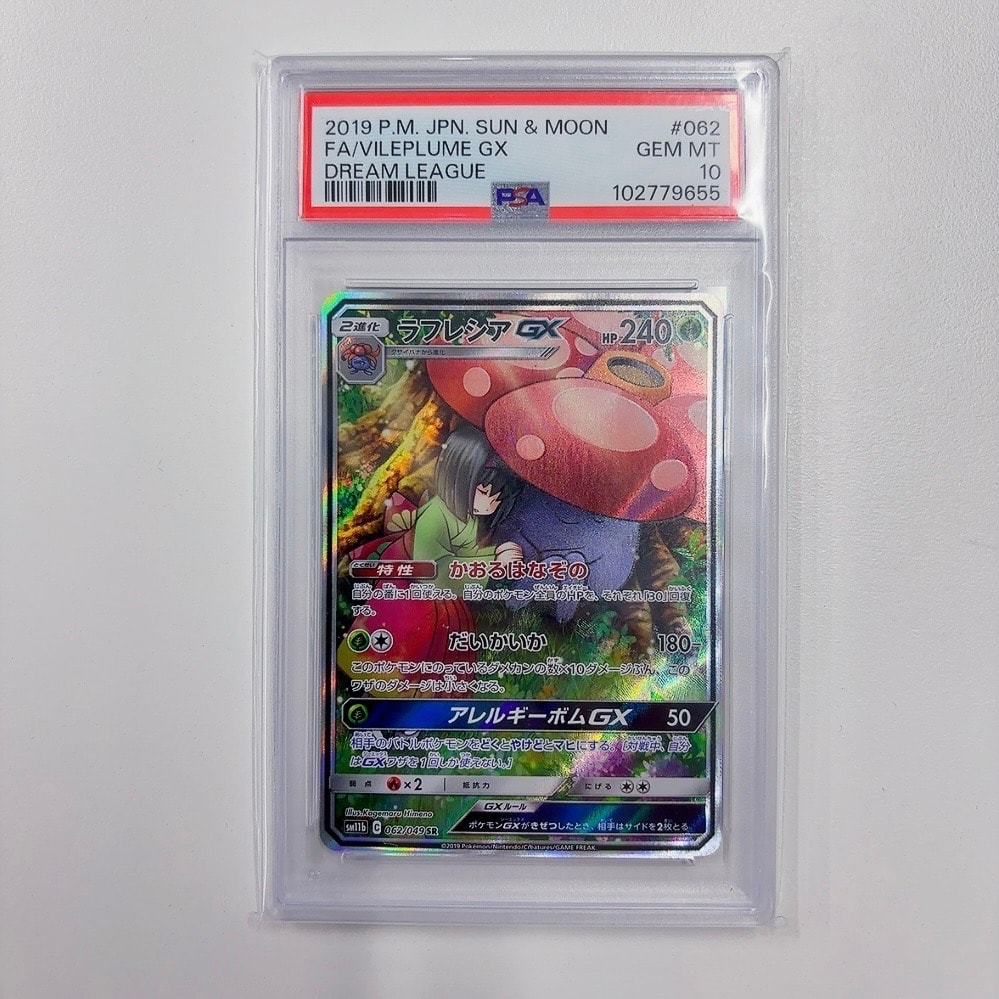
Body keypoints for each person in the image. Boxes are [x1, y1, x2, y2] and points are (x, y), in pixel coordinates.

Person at [339, 425, 522, 690]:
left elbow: (463, 555)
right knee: (391, 657)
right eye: (484, 492)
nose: (491, 503)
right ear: (459, 476)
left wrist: (494, 554)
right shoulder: (436, 516)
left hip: (439, 601)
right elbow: (433, 569)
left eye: (498, 498)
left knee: (427, 661)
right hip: (411, 596)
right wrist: (491, 564)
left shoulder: (468, 517)